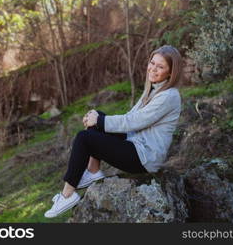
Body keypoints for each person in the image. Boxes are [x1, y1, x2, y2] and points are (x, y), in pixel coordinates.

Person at [44, 45, 183, 218]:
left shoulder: (169, 96)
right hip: (136, 143)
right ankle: (93, 172)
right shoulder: (154, 88)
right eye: (152, 63)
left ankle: (67, 195)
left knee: (84, 138)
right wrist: (98, 119)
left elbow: (135, 122)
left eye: (160, 67)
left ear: (171, 72)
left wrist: (101, 121)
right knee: (97, 121)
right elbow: (130, 116)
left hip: (144, 157)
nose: (153, 69)